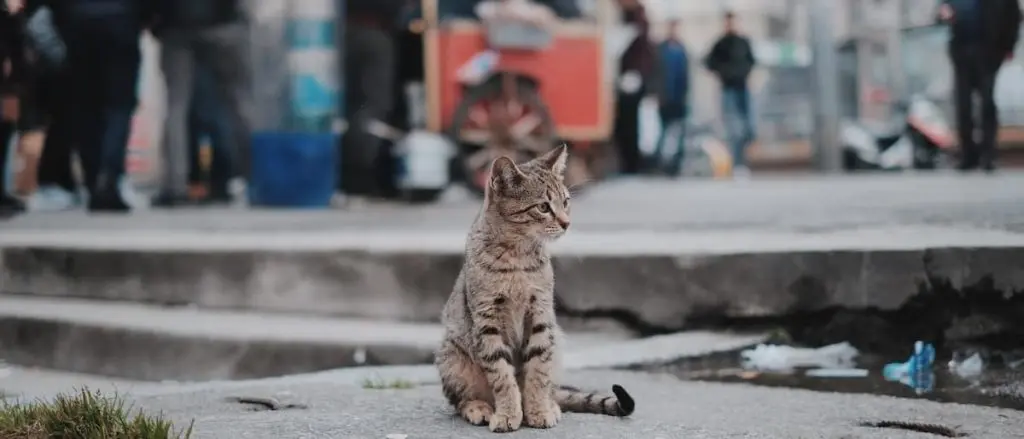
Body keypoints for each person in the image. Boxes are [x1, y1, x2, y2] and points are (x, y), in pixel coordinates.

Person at [151, 0, 251, 207]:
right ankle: (248, 176)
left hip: (177, 25)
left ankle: (175, 185)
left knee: (177, 105)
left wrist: (155, 21)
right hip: (224, 23)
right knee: (234, 104)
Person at [938, 0, 1022, 172]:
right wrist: (943, 13)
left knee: (987, 102)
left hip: (989, 51)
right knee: (963, 104)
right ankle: (968, 154)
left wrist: (1008, 46)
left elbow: (1013, 16)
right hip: (961, 50)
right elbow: (941, 11)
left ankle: (988, 154)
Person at [343, 0, 403, 202]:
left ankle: (351, 175)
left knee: (352, 106)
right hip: (373, 32)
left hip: (341, 30)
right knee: (373, 109)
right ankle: (363, 178)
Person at [704, 11, 756, 179]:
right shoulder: (720, 43)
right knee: (734, 129)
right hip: (728, 90)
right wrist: (723, 73)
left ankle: (743, 161)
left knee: (749, 128)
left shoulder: (744, 42)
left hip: (743, 88)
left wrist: (746, 74)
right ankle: (738, 164)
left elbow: (752, 61)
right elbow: (708, 62)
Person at [613, 0, 657, 176]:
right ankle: (629, 163)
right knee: (626, 124)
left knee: (630, 125)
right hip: (628, 78)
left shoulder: (638, 20)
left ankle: (632, 165)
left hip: (633, 79)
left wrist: (635, 73)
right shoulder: (633, 19)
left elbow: (641, 54)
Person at [186, 61, 233, 204]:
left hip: (198, 50)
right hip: (219, 50)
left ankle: (201, 182)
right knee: (216, 117)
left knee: (202, 118)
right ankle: (219, 182)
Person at [649, 18, 690, 177]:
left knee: (680, 132)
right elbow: (655, 74)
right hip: (665, 98)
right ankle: (659, 164)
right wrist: (656, 95)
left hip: (679, 99)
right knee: (663, 132)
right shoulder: (661, 49)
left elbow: (686, 77)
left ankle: (676, 165)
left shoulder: (682, 50)